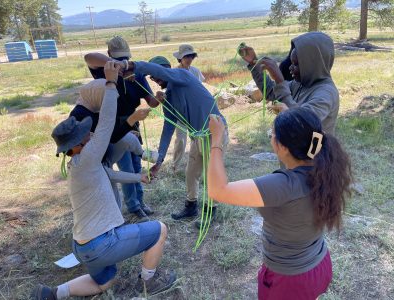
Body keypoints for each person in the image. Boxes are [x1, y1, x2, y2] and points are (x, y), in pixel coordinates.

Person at [33, 62, 176, 300]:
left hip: (82, 247)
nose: (89, 134)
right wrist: (110, 84)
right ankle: (150, 282)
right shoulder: (87, 156)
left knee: (105, 282)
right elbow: (107, 123)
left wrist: (140, 177)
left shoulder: (80, 166)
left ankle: (53, 293)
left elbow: (110, 175)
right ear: (76, 146)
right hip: (101, 245)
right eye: (84, 135)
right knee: (160, 229)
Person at [207, 107, 352, 299]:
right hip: (318, 263)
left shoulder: (283, 186)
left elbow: (218, 191)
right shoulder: (325, 168)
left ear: (283, 147)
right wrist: (291, 119)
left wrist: (216, 141)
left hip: (290, 280)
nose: (271, 138)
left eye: (272, 135)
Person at [125, 56, 228, 223]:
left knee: (212, 174)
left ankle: (211, 211)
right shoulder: (168, 97)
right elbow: (168, 129)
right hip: (197, 137)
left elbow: (159, 71)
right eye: (152, 78)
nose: (155, 80)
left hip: (214, 133)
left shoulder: (182, 75)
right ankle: (191, 206)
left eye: (156, 75)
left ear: (167, 70)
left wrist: (132, 65)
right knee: (191, 173)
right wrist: (159, 161)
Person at [71, 36, 162, 222]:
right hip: (112, 129)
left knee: (136, 164)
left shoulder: (136, 74)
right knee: (126, 166)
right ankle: (133, 207)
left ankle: (141, 202)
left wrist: (159, 99)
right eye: (117, 58)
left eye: (125, 58)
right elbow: (88, 56)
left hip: (132, 125)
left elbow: (151, 101)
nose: (121, 62)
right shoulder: (106, 71)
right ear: (109, 54)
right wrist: (115, 65)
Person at [240, 31, 339, 135]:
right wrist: (254, 63)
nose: (290, 68)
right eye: (291, 63)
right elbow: (271, 93)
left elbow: (299, 122)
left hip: (315, 151)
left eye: (296, 64)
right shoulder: (300, 84)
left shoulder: (326, 94)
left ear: (313, 63)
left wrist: (280, 80)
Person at [171, 44, 206, 172]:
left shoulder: (195, 71)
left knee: (197, 139)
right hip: (181, 112)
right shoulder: (175, 73)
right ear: (180, 58)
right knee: (180, 140)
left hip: (195, 111)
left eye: (191, 56)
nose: (189, 59)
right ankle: (175, 166)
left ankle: (197, 165)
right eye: (186, 56)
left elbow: (200, 90)